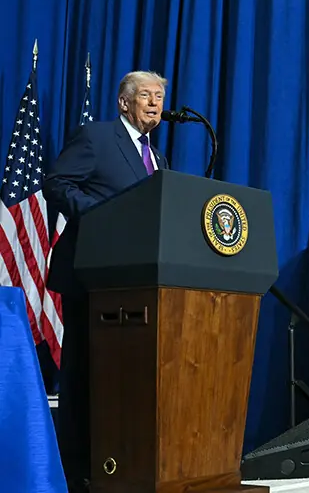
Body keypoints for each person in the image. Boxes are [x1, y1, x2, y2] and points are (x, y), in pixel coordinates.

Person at [43, 71, 171, 493]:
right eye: (146, 95)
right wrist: (100, 214)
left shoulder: (158, 159)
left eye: (159, 97)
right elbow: (56, 183)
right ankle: (76, 471)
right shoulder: (97, 137)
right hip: (91, 273)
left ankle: (117, 465)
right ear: (123, 102)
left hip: (135, 281)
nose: (154, 103)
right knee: (85, 373)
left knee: (121, 377)